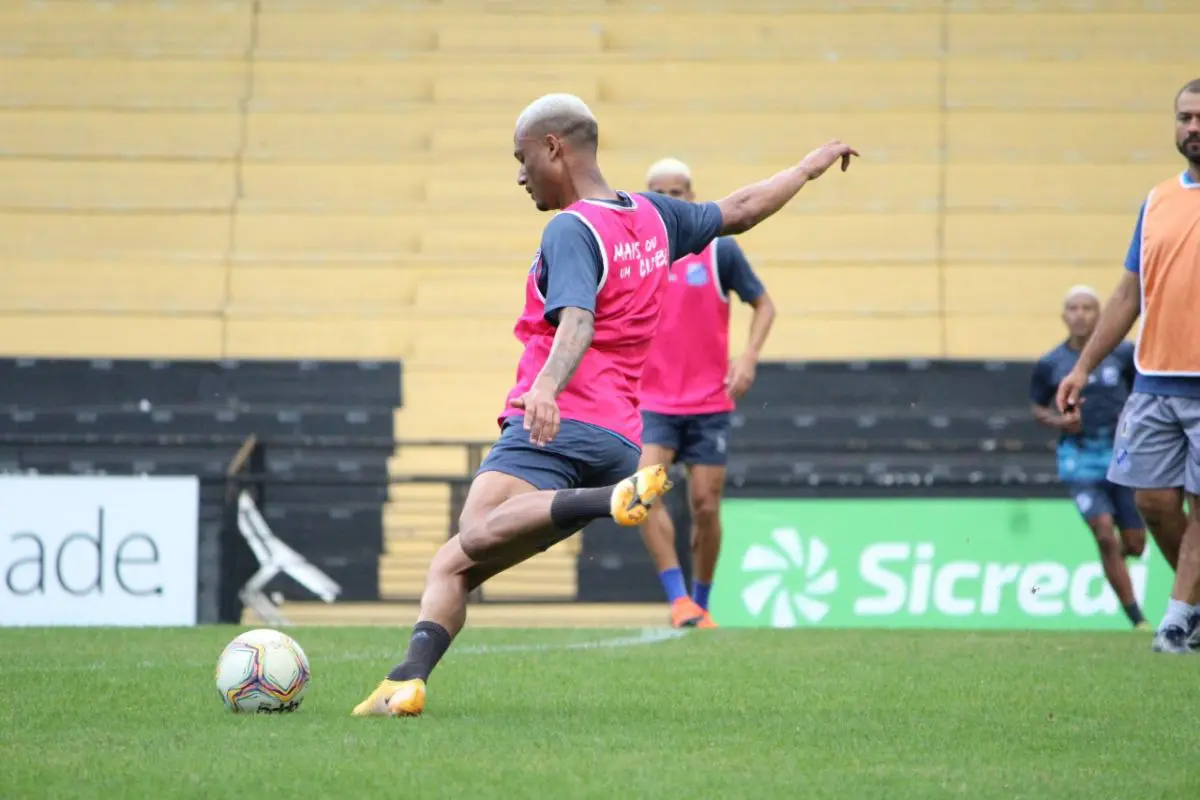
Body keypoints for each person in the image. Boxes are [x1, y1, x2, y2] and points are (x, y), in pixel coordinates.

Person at [352, 93, 860, 716]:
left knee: (475, 530)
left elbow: (577, 321)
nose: (519, 175)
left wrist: (545, 389)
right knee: (457, 563)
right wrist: (805, 169)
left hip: (558, 423)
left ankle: (609, 503)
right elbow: (742, 209)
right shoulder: (653, 218)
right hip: (621, 439)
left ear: (554, 149)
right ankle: (403, 683)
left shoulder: (570, 227)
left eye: (521, 158)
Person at [1056, 79, 1200, 654]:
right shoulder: (1159, 199)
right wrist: (1082, 369)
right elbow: (1127, 296)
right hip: (1155, 380)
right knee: (1152, 502)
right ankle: (1192, 606)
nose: (1194, 128)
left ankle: (1176, 619)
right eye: (1185, 117)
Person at [636, 157, 776, 628]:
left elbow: (764, 305)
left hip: (708, 403)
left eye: (679, 192)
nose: (671, 200)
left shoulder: (720, 252)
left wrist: (749, 356)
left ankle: (702, 601)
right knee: (642, 495)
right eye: (661, 193)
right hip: (652, 401)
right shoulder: (636, 254)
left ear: (693, 197)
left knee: (705, 505)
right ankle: (679, 601)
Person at [1030, 285, 1149, 630]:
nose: (1080, 314)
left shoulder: (1124, 355)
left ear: (1101, 314)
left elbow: (1141, 393)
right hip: (1078, 459)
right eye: (1073, 308)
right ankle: (1138, 620)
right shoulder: (1051, 363)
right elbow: (1037, 406)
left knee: (1135, 544)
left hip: (1121, 457)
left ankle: (1111, 559)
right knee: (1103, 532)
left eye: (1087, 308)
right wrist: (1059, 422)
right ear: (1063, 316)